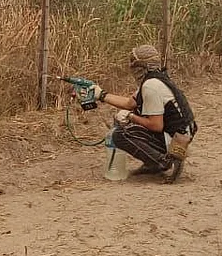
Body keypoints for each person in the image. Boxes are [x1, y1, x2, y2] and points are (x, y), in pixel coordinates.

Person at [84, 44, 197, 183]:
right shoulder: (156, 79)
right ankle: (158, 160)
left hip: (175, 138)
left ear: (140, 67)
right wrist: (100, 94)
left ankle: (162, 161)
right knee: (133, 120)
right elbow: (129, 104)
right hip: (180, 134)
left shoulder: (150, 86)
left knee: (120, 134)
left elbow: (156, 125)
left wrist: (131, 117)